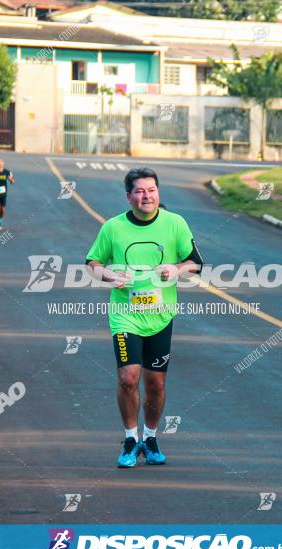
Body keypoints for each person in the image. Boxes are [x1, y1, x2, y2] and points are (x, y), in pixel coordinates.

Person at [85, 168, 203, 468]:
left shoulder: (175, 223)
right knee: (128, 378)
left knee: (156, 385)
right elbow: (92, 263)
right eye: (139, 191)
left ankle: (149, 438)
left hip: (161, 317)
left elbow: (196, 263)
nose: (146, 196)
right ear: (129, 196)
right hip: (125, 316)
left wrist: (176, 270)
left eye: (151, 190)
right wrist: (110, 275)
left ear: (158, 193)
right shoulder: (113, 228)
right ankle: (129, 438)